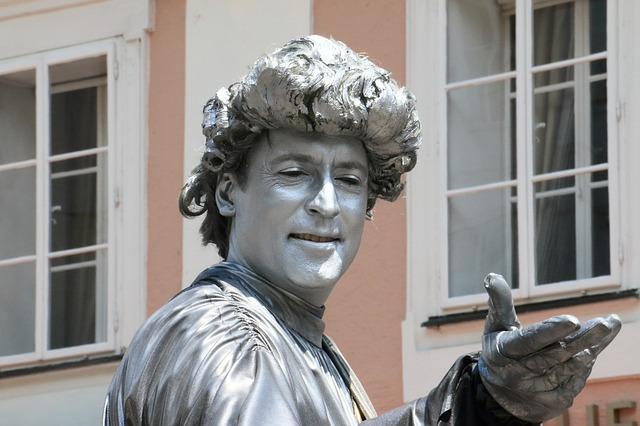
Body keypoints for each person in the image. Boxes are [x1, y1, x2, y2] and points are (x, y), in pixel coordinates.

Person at [103, 35, 621, 425]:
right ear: (227, 191)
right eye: (294, 173)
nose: (327, 203)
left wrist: (484, 401)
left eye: (349, 180)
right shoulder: (228, 337)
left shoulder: (293, 339)